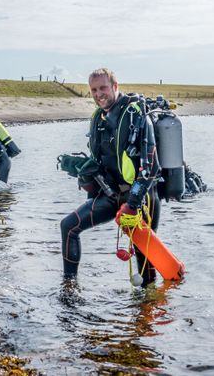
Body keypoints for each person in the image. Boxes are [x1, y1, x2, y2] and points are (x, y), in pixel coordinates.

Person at [60, 68, 161, 287]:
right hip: (111, 193)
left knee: (145, 266)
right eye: (94, 90)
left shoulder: (137, 116)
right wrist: (83, 171)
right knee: (68, 226)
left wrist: (132, 205)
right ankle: (69, 288)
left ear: (115, 86)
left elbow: (151, 169)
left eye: (103, 88)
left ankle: (148, 311)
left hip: (142, 198)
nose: (98, 94)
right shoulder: (99, 118)